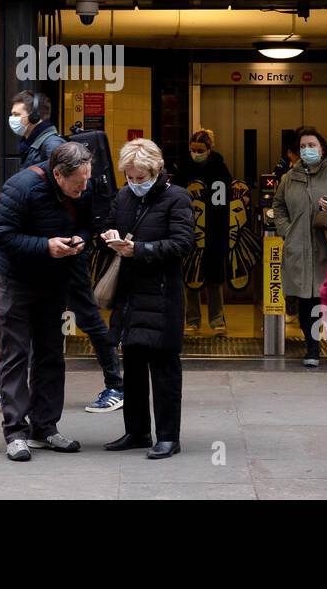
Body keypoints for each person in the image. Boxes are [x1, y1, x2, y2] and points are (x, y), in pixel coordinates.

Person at [0, 91, 124, 414]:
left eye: (18, 113)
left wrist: (74, 239)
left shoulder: (52, 149)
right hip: (51, 252)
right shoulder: (36, 146)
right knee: (52, 321)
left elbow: (72, 205)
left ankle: (116, 383)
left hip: (62, 254)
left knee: (85, 316)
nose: (13, 118)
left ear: (35, 117)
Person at [0, 141, 95, 461]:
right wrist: (45, 246)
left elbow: (89, 225)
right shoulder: (20, 187)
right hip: (17, 281)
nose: (84, 187)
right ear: (58, 175)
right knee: (16, 355)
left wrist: (81, 240)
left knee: (51, 355)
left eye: (87, 179)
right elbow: (2, 235)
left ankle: (45, 428)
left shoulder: (83, 189)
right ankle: (15, 432)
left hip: (53, 280)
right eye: (78, 183)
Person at [101, 139, 194, 459]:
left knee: (165, 365)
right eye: (130, 177)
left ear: (156, 170)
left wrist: (140, 250)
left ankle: (168, 436)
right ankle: (137, 431)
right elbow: (110, 223)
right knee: (134, 364)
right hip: (130, 292)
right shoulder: (123, 196)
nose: (135, 183)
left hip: (162, 293)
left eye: (141, 177)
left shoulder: (177, 198)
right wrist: (109, 236)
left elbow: (182, 244)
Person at [273, 126, 327, 367]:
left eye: (312, 145)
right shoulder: (289, 178)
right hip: (299, 245)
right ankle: (312, 348)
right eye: (302, 146)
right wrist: (286, 229)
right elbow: (278, 206)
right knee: (306, 299)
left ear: (322, 148)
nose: (307, 150)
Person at [174, 128, 232, 335]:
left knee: (214, 278)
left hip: (214, 230)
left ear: (209, 149)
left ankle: (217, 320)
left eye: (200, 150)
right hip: (190, 230)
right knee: (190, 277)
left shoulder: (220, 169)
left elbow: (225, 202)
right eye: (193, 149)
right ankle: (192, 320)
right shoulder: (184, 169)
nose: (195, 153)